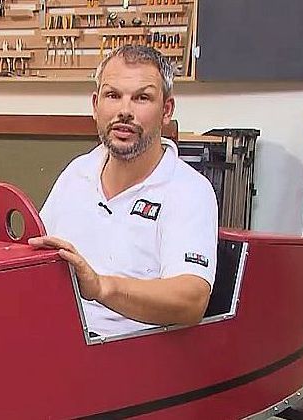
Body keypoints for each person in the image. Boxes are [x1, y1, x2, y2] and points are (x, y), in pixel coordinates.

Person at [29, 45, 218, 337]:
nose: (124, 111)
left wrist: (101, 286)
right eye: (113, 95)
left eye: (142, 98)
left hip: (131, 354)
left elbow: (191, 301)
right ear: (96, 105)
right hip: (54, 336)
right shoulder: (78, 172)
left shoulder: (189, 191)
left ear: (166, 110)